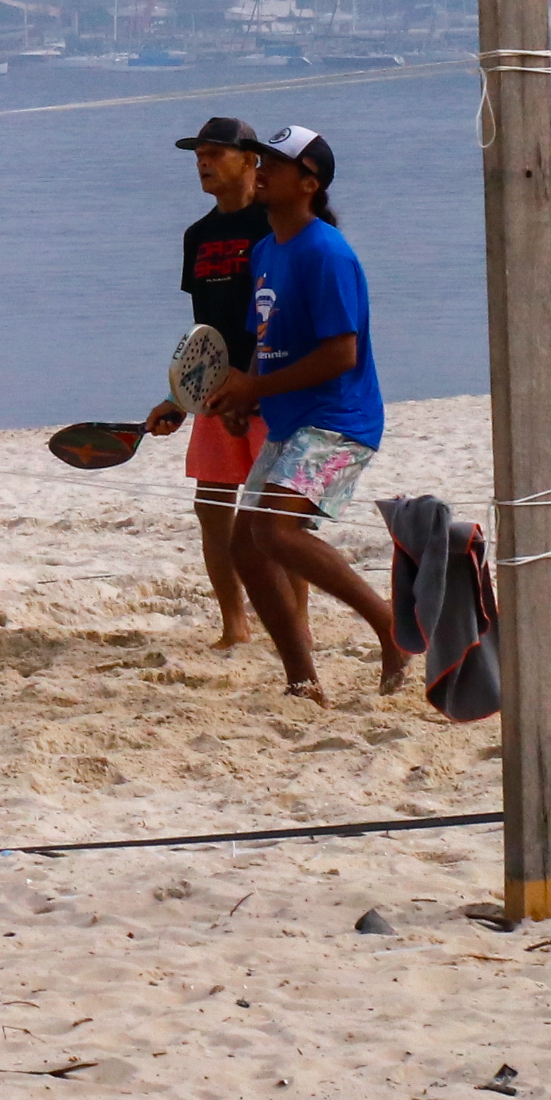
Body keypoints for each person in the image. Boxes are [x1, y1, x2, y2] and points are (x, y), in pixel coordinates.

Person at [201, 125, 409, 704]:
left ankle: (390, 626)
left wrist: (257, 385)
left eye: (277, 161)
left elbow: (341, 354)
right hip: (293, 421)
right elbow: (265, 344)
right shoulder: (267, 250)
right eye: (260, 158)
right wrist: (246, 397)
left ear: (309, 182)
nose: (261, 168)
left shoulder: (327, 252)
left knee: (274, 530)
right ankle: (302, 679)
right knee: (247, 544)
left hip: (341, 421)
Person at [141, 118, 267, 650]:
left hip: (270, 389)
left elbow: (286, 315)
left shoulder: (276, 225)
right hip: (216, 392)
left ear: (250, 160)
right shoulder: (198, 234)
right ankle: (234, 626)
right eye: (197, 154)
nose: (202, 162)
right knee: (212, 510)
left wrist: (255, 381)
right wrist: (180, 396)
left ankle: (297, 624)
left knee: (276, 522)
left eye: (215, 153)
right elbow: (206, 328)